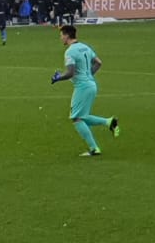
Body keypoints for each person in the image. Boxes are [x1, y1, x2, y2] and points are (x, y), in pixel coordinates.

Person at [50, 24, 117, 157]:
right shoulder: (85, 47)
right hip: (91, 84)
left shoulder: (70, 52)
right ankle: (109, 122)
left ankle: (94, 149)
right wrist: (89, 75)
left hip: (82, 87)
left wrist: (58, 78)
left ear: (67, 35)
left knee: (76, 118)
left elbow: (70, 72)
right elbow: (98, 62)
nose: (61, 38)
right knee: (82, 116)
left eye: (61, 35)